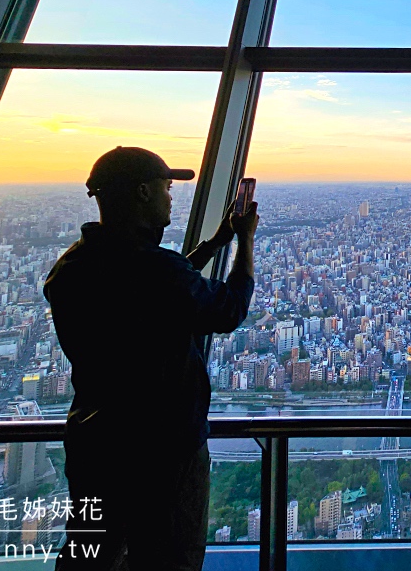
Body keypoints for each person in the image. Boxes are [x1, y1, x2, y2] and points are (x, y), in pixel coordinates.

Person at [44, 147, 258, 569]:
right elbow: (229, 307)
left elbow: (163, 284)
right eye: (167, 187)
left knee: (90, 557)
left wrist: (216, 241)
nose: (171, 197)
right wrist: (245, 241)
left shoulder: (72, 266)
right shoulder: (156, 272)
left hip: (96, 444)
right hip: (163, 454)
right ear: (142, 192)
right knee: (168, 559)